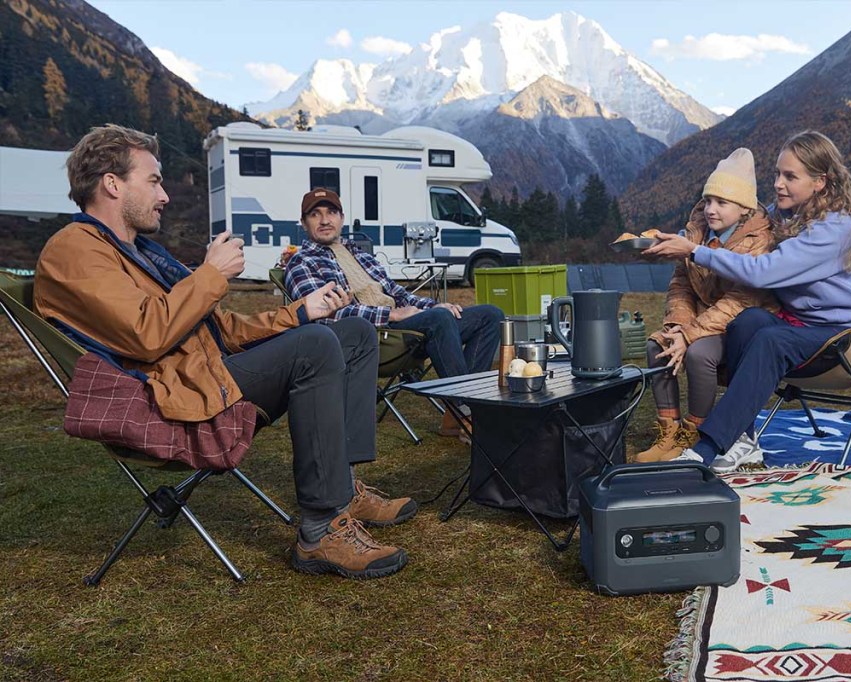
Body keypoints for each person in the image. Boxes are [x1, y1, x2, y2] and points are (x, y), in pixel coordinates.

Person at [34, 124, 414, 580]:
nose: (165, 196)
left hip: (202, 375)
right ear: (112, 184)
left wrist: (298, 312)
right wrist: (210, 275)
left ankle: (343, 486)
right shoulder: (75, 251)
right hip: (168, 399)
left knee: (351, 332)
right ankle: (320, 531)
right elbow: (146, 335)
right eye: (154, 180)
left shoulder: (137, 253)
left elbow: (221, 330)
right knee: (315, 348)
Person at [644, 130, 851, 473]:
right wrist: (679, 239)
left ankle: (707, 447)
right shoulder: (785, 217)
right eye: (776, 174)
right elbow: (737, 220)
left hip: (846, 336)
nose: (779, 184)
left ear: (820, 182)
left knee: (771, 338)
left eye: (790, 176)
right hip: (801, 326)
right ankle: (744, 438)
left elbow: (762, 272)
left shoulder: (834, 229)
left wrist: (694, 252)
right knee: (750, 320)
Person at [284, 188, 505, 439]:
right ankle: (466, 413)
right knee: (440, 321)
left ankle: (456, 414)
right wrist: (391, 315)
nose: (325, 220)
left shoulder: (359, 255)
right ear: (304, 223)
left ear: (342, 218)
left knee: (490, 315)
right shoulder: (301, 262)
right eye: (315, 214)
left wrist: (432, 306)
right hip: (371, 338)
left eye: (331, 212)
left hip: (405, 327)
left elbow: (398, 294)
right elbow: (323, 315)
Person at [636, 148, 776, 463]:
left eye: (721, 203)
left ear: (743, 208)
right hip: (699, 320)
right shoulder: (696, 230)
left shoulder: (759, 241)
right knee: (656, 346)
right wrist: (676, 328)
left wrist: (691, 336)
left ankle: (695, 433)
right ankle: (669, 431)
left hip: (739, 325)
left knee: (700, 354)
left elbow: (741, 299)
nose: (711, 209)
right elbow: (681, 284)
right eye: (708, 200)